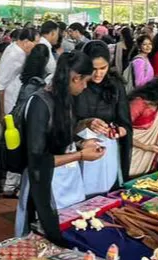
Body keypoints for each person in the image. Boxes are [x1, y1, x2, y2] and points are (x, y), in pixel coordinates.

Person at [17, 52, 103, 243]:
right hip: (45, 182)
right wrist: (80, 155)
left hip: (68, 179)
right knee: (47, 236)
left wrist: (82, 141)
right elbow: (38, 159)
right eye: (85, 81)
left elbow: (62, 135)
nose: (85, 86)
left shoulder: (65, 97)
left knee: (73, 226)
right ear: (75, 78)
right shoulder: (39, 103)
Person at [75, 41, 131, 196]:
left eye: (103, 68)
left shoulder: (115, 86)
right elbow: (64, 122)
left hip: (108, 149)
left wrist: (118, 131)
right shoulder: (76, 85)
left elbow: (125, 123)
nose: (98, 74)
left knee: (106, 190)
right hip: (80, 148)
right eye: (93, 69)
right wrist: (85, 125)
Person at [0, 28, 37, 118]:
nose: (36, 46)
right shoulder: (14, 55)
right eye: (35, 43)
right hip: (9, 102)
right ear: (26, 42)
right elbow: (0, 85)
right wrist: (2, 112)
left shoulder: (16, 47)